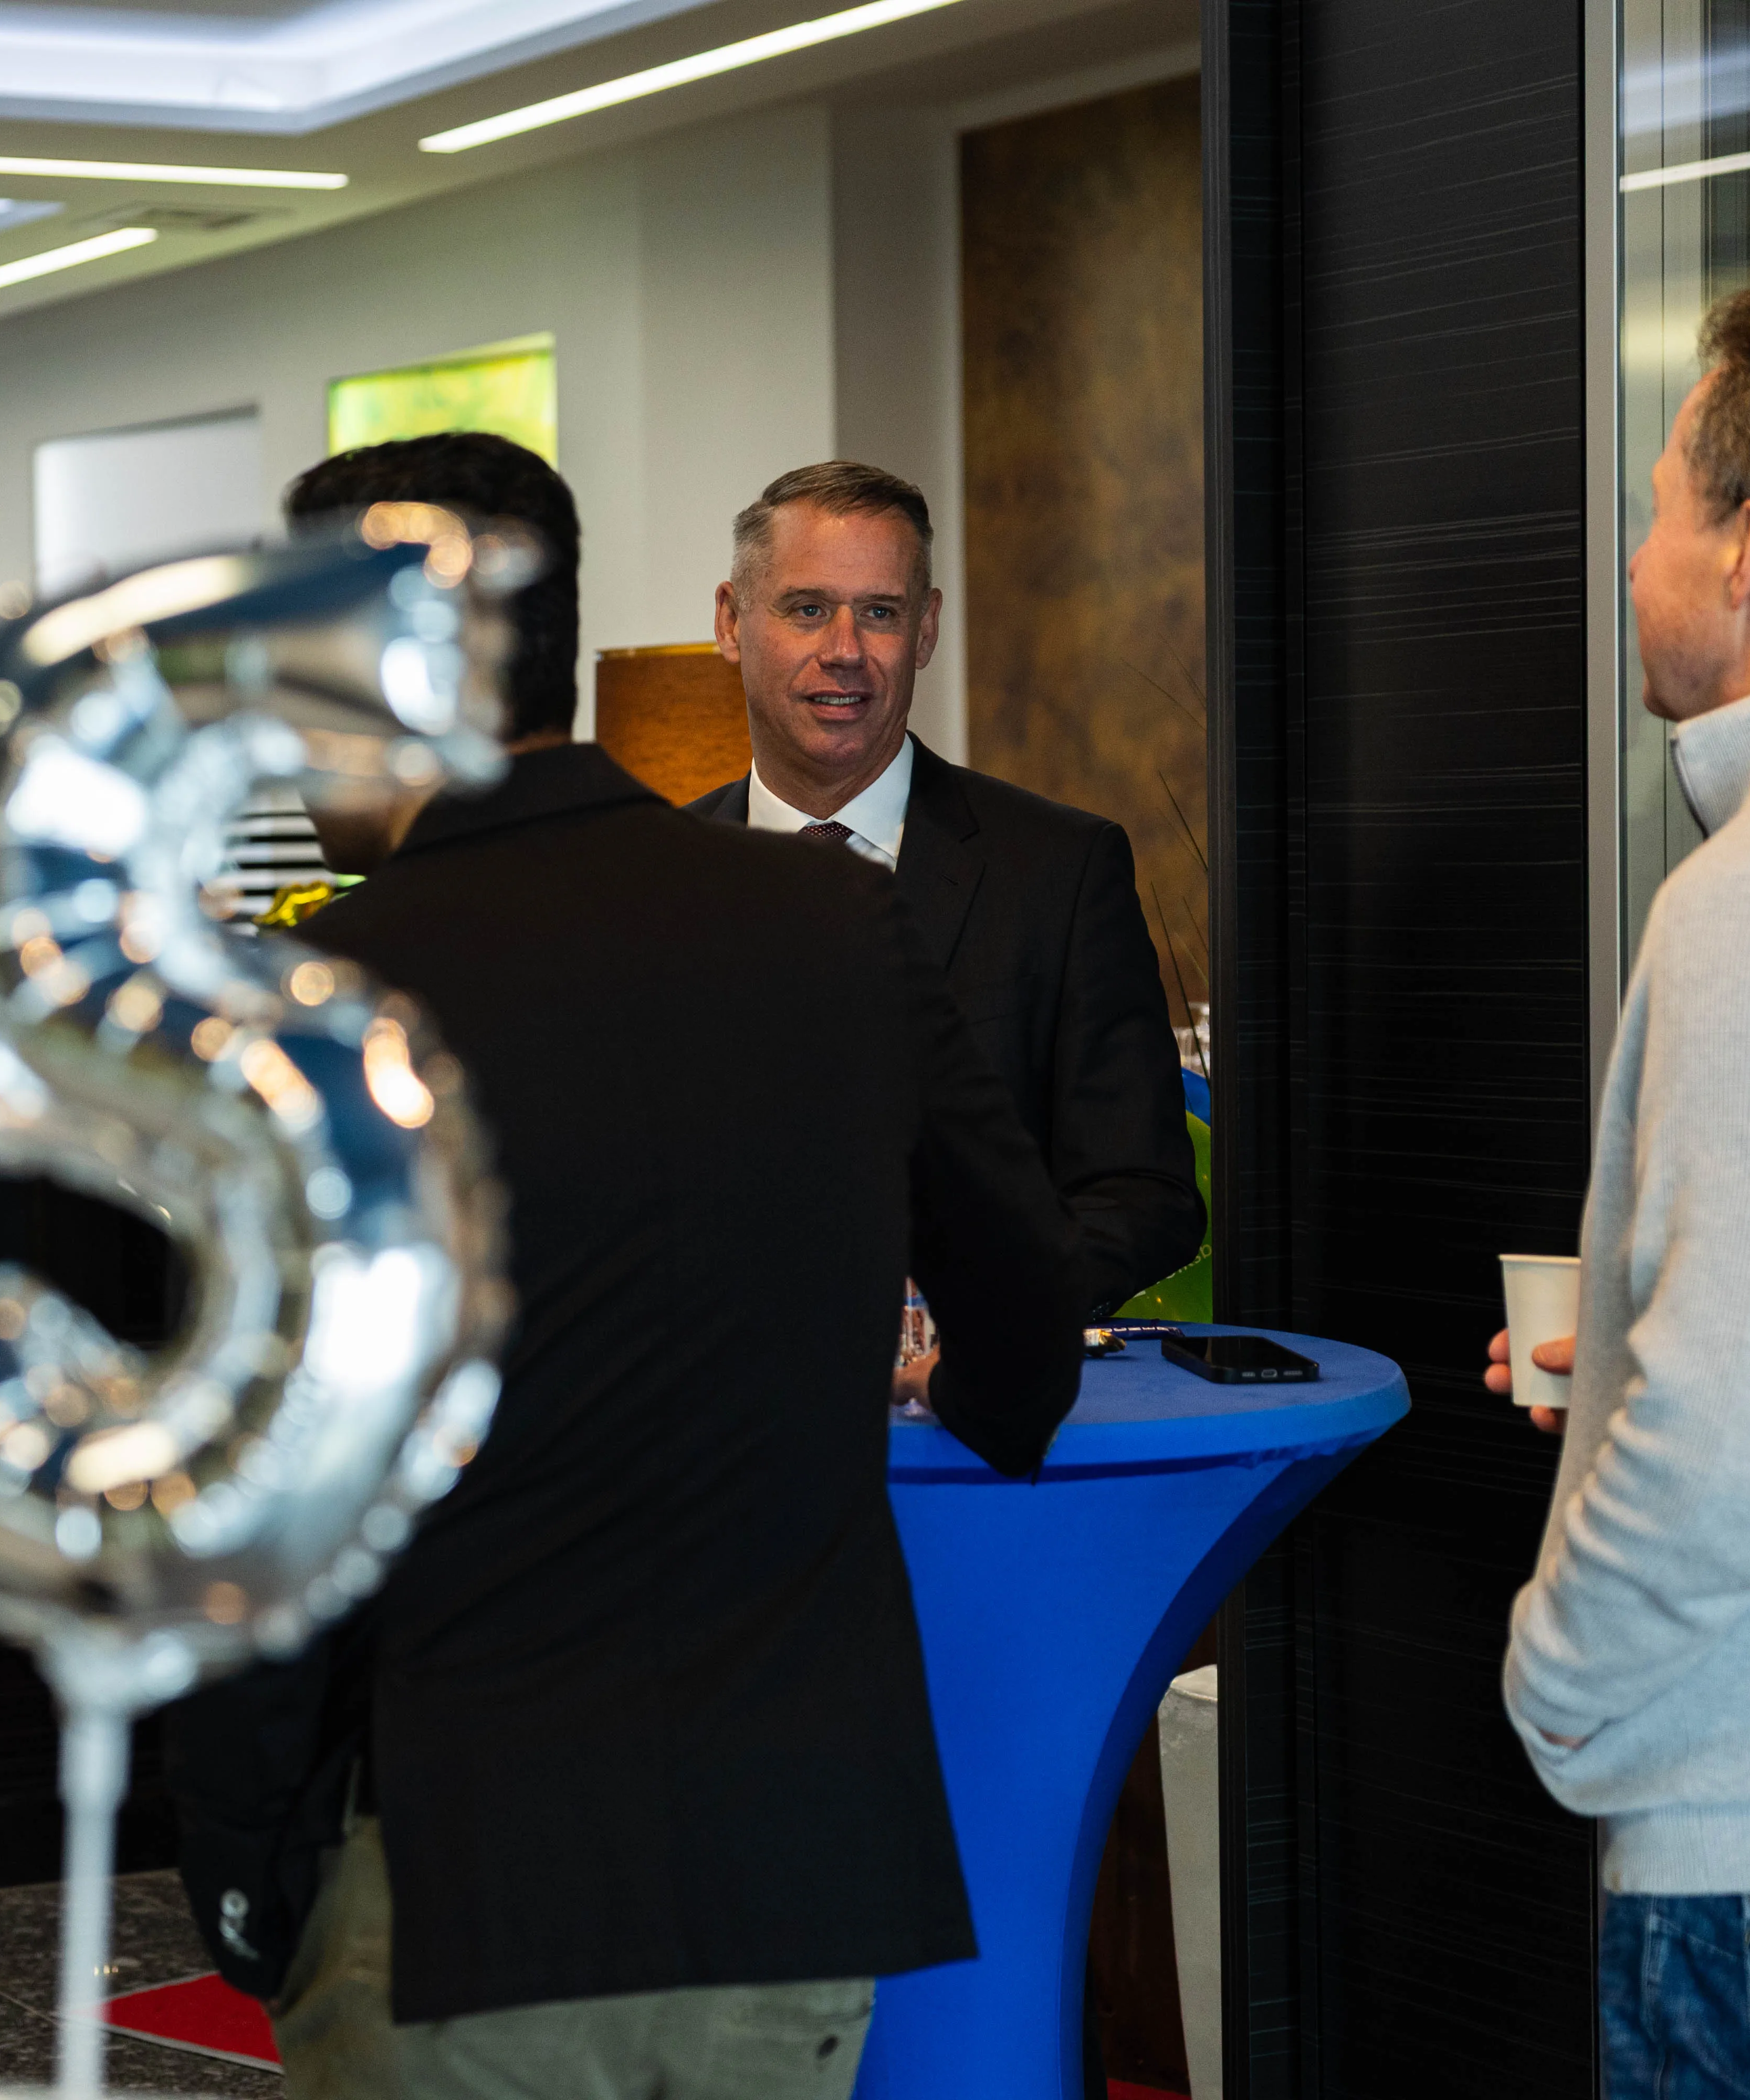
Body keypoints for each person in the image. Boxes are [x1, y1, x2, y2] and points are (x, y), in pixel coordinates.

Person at [162, 430, 1089, 2100]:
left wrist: (248, 1877)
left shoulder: (314, 1016)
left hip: (463, 1882)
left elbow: (256, 1513)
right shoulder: (836, 923)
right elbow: (1026, 1305)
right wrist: (977, 1400)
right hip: (796, 1872)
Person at [1482, 284, 1750, 2097]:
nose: (1633, 562)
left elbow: (1740, 1439)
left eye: (1659, 510)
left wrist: (1553, 1673)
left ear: (1748, 553)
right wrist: (1621, 1364)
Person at [683, 462, 1201, 1317]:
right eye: (807, 609)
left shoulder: (1062, 872)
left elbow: (1144, 1194)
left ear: (924, 631)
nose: (844, 650)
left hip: (972, 1388)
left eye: (880, 613)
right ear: (731, 622)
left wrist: (978, 1307)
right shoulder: (646, 885)